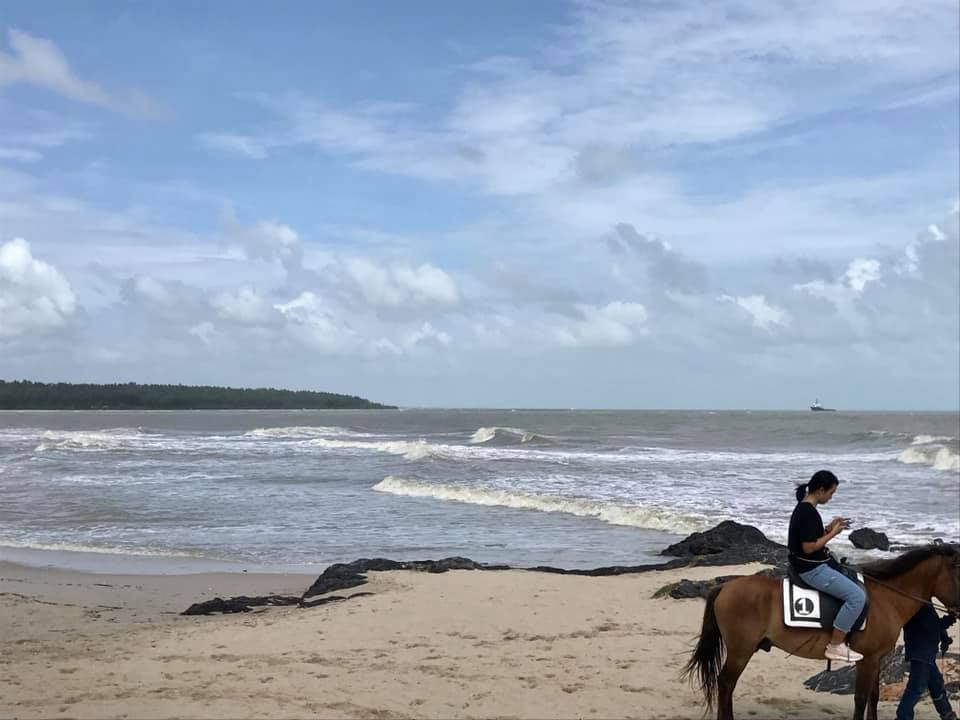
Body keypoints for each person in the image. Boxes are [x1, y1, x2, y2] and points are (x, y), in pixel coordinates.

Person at [788, 469, 867, 662]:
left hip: (809, 564)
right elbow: (808, 547)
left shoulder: (805, 508)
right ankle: (835, 645)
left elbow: (810, 536)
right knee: (857, 597)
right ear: (821, 490)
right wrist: (834, 534)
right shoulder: (808, 512)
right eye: (831, 493)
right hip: (811, 569)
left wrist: (828, 528)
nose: (831, 498)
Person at [896, 605, 957, 720]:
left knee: (936, 686)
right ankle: (902, 717)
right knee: (915, 688)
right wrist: (949, 619)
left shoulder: (926, 605)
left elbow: (934, 623)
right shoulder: (917, 605)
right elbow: (933, 625)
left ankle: (947, 714)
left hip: (926, 653)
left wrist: (944, 639)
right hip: (920, 652)